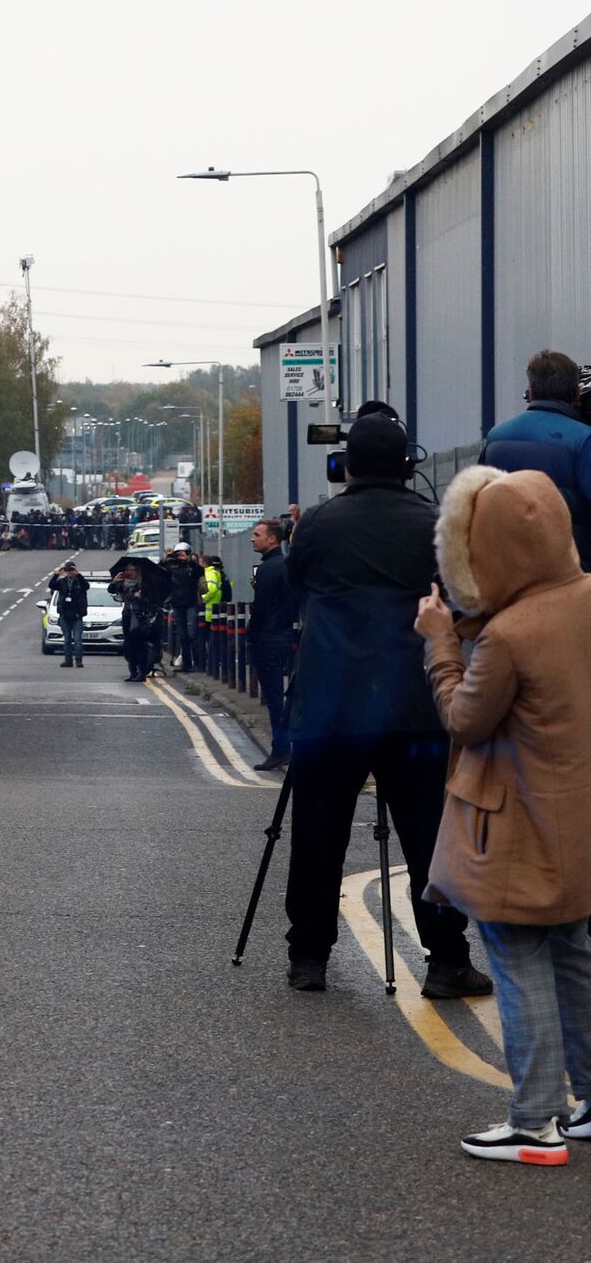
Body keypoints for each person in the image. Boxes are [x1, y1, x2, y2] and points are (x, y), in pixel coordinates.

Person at [281, 408, 492, 998]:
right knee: (430, 836)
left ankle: (310, 957)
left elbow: (299, 583)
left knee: (318, 833)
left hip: (330, 706)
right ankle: (448, 961)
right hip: (414, 706)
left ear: (347, 464)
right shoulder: (434, 523)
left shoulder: (319, 524)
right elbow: (460, 597)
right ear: (406, 465)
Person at [417, 465, 591, 1164]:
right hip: (577, 820)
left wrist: (440, 641)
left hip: (515, 826)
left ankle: (535, 1120)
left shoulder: (510, 636)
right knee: (577, 954)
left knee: (518, 961)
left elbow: (465, 717)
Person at [481, 349, 591, 568]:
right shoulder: (583, 439)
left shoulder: (495, 436)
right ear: (576, 393)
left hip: (511, 568)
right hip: (569, 571)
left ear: (530, 391)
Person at [248, 519, 298, 772]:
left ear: (272, 539)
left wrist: (251, 635)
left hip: (267, 637)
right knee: (284, 697)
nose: (252, 538)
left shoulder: (268, 569)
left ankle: (280, 750)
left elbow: (261, 608)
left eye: (257, 534)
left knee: (274, 698)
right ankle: (285, 748)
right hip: (286, 634)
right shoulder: (287, 564)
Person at [110, 563, 158, 682]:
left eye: (132, 570)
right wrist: (115, 581)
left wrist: (139, 597)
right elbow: (111, 591)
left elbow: (151, 599)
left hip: (140, 617)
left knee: (140, 646)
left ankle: (141, 672)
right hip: (127, 616)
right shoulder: (123, 583)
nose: (129, 572)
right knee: (129, 646)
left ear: (137, 571)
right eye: (127, 570)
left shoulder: (144, 583)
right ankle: (132, 672)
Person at [163, 542, 200, 673]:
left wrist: (189, 561)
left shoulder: (192, 567)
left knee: (192, 634)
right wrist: (165, 561)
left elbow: (200, 572)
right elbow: (158, 572)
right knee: (182, 636)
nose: (180, 556)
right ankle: (186, 664)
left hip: (191, 603)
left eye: (183, 553)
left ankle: (198, 664)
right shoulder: (172, 567)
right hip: (178, 604)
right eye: (178, 553)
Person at [49, 560, 90, 669]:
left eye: (71, 570)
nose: (69, 573)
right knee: (67, 640)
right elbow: (52, 585)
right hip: (65, 615)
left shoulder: (79, 581)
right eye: (67, 571)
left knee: (77, 640)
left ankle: (78, 661)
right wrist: (57, 574)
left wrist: (79, 574)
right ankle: (68, 660)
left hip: (77, 615)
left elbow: (86, 586)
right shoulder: (62, 582)